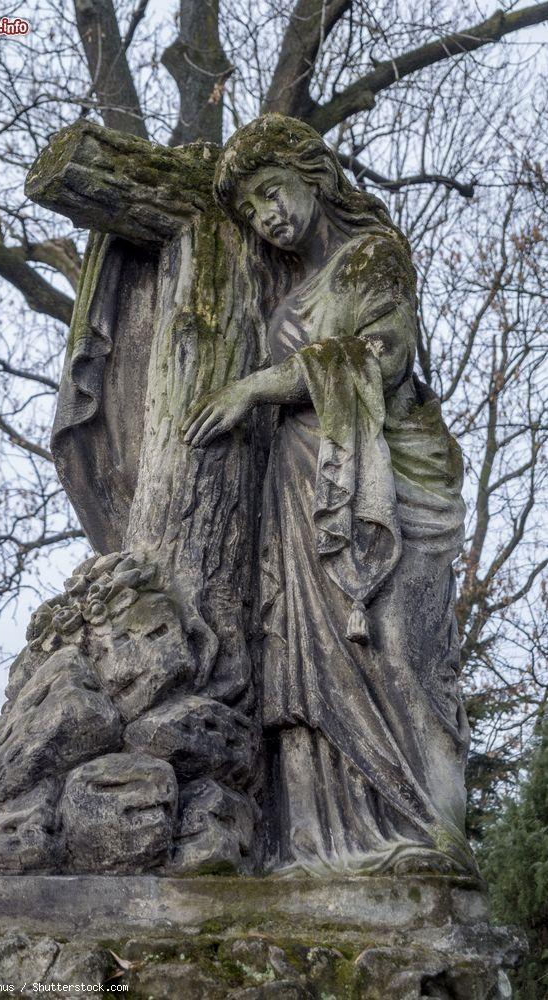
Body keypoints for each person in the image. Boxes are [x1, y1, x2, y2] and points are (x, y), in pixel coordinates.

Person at [183, 114, 475, 877]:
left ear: (311, 177)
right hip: (300, 488)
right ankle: (321, 847)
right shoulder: (282, 293)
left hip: (389, 478)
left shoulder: (372, 256)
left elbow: (382, 357)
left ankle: (430, 839)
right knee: (304, 666)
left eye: (272, 193)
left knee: (399, 651)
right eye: (251, 210)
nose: (267, 216)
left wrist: (258, 385)